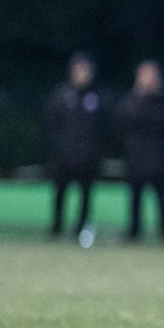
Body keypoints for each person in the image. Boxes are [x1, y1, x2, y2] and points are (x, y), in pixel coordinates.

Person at [46, 52, 107, 243]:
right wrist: (58, 148)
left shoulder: (97, 96)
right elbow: (51, 123)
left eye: (86, 70)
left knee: (86, 196)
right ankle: (57, 227)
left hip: (88, 156)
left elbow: (105, 127)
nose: (82, 74)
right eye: (79, 70)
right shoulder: (62, 95)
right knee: (60, 193)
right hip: (64, 156)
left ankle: (82, 229)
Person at [117, 60, 164, 243]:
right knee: (135, 198)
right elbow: (125, 122)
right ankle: (134, 232)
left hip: (158, 158)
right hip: (136, 157)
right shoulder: (130, 100)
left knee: (162, 198)